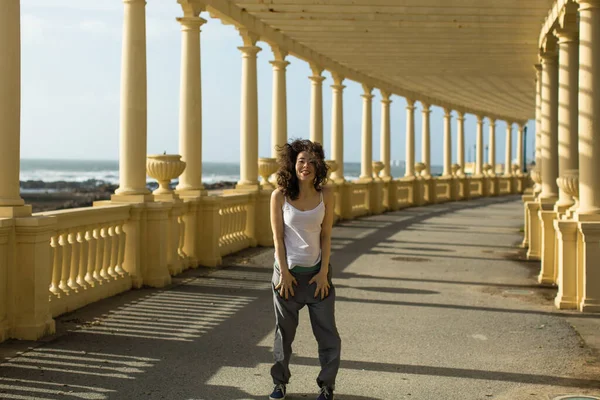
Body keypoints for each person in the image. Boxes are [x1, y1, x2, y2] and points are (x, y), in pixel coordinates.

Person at [268, 139, 341, 400]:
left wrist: (323, 273)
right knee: (283, 335)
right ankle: (279, 383)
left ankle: (326, 385)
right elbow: (277, 238)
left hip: (317, 276)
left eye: (311, 161)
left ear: (318, 165)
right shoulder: (279, 195)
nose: (306, 166)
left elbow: (326, 236)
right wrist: (285, 273)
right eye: (301, 161)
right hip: (287, 276)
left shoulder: (327, 194)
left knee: (327, 334)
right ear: (293, 164)